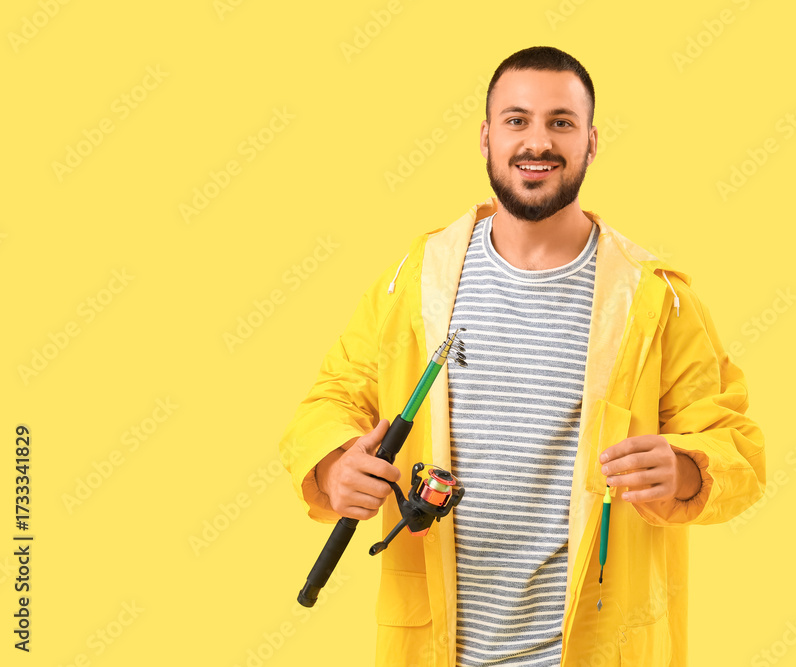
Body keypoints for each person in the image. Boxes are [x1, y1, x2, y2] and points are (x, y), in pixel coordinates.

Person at [279, 46, 766, 667]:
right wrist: (334, 468)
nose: (538, 141)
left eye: (561, 122)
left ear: (591, 141)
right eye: (517, 120)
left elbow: (735, 442)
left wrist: (687, 469)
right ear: (486, 138)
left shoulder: (655, 299)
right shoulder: (417, 280)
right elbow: (333, 398)